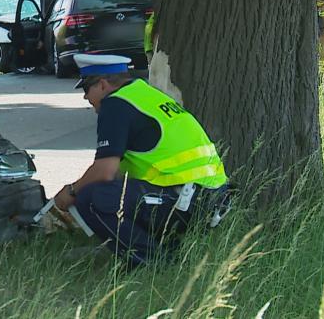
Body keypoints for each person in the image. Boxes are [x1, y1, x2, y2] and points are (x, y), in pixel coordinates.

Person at [53, 54, 228, 267]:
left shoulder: (115, 105)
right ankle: (169, 247)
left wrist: (71, 191)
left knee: (91, 198)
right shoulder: (145, 94)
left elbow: (105, 171)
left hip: (185, 201)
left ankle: (154, 264)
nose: (85, 98)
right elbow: (118, 173)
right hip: (208, 197)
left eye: (85, 89)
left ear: (102, 84)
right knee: (109, 193)